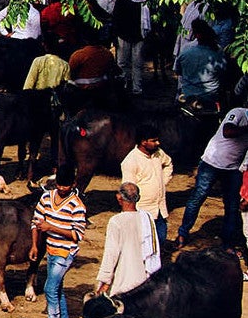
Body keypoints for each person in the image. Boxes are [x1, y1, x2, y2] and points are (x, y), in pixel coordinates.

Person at [32, 172, 89, 318]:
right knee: (57, 289)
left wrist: (51, 227)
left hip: (66, 252)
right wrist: (34, 245)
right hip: (51, 249)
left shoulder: (77, 206)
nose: (62, 189)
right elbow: (36, 221)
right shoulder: (47, 197)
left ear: (73, 185)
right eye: (59, 185)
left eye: (66, 186)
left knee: (49, 288)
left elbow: (77, 234)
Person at [179, 106, 248, 251]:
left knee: (232, 206)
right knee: (198, 197)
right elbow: (228, 131)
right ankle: (183, 233)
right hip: (211, 163)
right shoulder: (238, 113)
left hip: (233, 168)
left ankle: (227, 243)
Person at [95, 183, 163, 305]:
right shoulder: (147, 218)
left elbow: (111, 254)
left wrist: (105, 281)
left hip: (124, 280)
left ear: (119, 197)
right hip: (144, 279)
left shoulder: (116, 221)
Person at [120, 134, 173, 253]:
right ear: (143, 142)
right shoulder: (131, 160)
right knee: (141, 244)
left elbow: (168, 164)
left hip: (159, 208)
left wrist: (163, 181)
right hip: (142, 210)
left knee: (160, 239)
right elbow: (128, 190)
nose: (158, 143)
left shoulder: (159, 153)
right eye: (154, 140)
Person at [177, 19, 228, 106]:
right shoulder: (218, 52)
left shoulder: (185, 52)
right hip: (211, 96)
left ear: (195, 35)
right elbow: (223, 73)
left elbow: (178, 71)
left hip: (189, 96)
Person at [111, 0, 150, 95]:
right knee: (122, 63)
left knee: (137, 64)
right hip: (123, 35)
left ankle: (137, 88)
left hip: (139, 36)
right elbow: (116, 16)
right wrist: (115, 35)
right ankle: (122, 87)